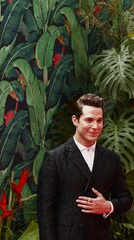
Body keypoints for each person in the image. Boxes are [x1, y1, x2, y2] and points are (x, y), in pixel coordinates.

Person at [37, 93, 132, 240]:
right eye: (89, 120)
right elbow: (45, 212)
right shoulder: (54, 158)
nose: (95, 126)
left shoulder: (112, 159)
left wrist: (108, 206)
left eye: (99, 121)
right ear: (75, 120)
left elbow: (126, 199)